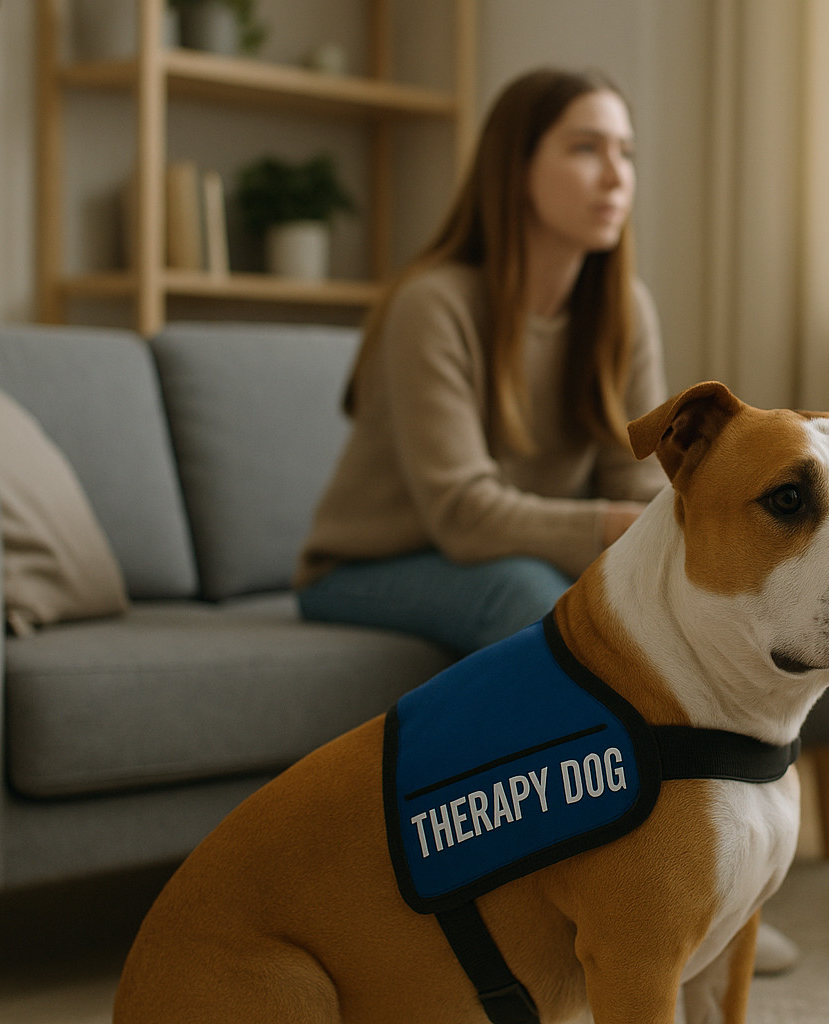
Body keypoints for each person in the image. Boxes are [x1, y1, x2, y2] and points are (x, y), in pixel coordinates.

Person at [293, 67, 800, 974]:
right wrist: (622, 534)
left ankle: (700, 883)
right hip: (369, 566)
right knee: (537, 604)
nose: (616, 175)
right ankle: (615, 880)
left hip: (501, 549)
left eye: (627, 153)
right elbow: (462, 514)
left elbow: (641, 478)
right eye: (585, 148)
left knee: (660, 607)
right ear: (514, 169)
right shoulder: (434, 304)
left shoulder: (620, 309)